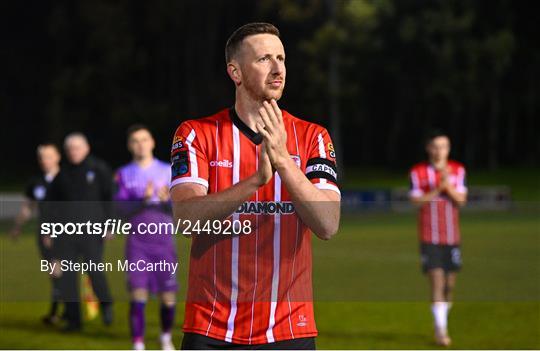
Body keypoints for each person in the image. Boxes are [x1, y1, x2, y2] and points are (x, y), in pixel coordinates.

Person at [170, 23, 341, 349]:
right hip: (211, 329)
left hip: (290, 328)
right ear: (235, 72)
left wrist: (283, 163)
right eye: (264, 59)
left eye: (281, 58)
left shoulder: (313, 137)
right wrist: (256, 181)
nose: (278, 69)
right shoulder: (196, 134)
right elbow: (184, 219)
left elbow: (328, 224)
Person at [115, 124, 177, 351]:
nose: (140, 144)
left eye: (144, 139)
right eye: (135, 140)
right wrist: (142, 200)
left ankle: (165, 338)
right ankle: (138, 344)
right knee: (138, 293)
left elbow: (183, 208)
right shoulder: (124, 173)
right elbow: (119, 208)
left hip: (164, 244)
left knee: (168, 295)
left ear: (152, 142)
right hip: (137, 244)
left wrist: (167, 200)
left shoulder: (168, 171)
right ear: (129, 146)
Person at [46, 132, 114, 331]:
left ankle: (106, 303)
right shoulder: (61, 174)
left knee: (94, 270)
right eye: (69, 149)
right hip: (66, 234)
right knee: (67, 276)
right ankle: (74, 320)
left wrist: (109, 225)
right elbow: (51, 205)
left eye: (76, 148)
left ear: (86, 148)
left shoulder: (99, 169)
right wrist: (49, 229)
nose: (73, 152)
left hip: (92, 231)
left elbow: (109, 198)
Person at [408, 130, 468, 346]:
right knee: (437, 281)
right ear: (429, 148)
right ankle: (441, 330)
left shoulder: (458, 170)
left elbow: (461, 201)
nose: (439, 150)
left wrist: (447, 186)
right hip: (429, 236)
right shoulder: (418, 172)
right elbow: (415, 201)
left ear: (448, 149)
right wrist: (437, 189)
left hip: (452, 237)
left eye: (444, 146)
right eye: (435, 146)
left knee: (449, 286)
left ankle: (441, 318)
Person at [10, 143, 62, 324]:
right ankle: (61, 312)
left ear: (57, 157)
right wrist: (18, 226)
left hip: (66, 232)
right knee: (55, 274)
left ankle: (61, 313)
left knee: (60, 272)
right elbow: (27, 208)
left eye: (48, 156)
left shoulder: (67, 179)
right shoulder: (36, 183)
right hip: (44, 233)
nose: (44, 160)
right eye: (41, 157)